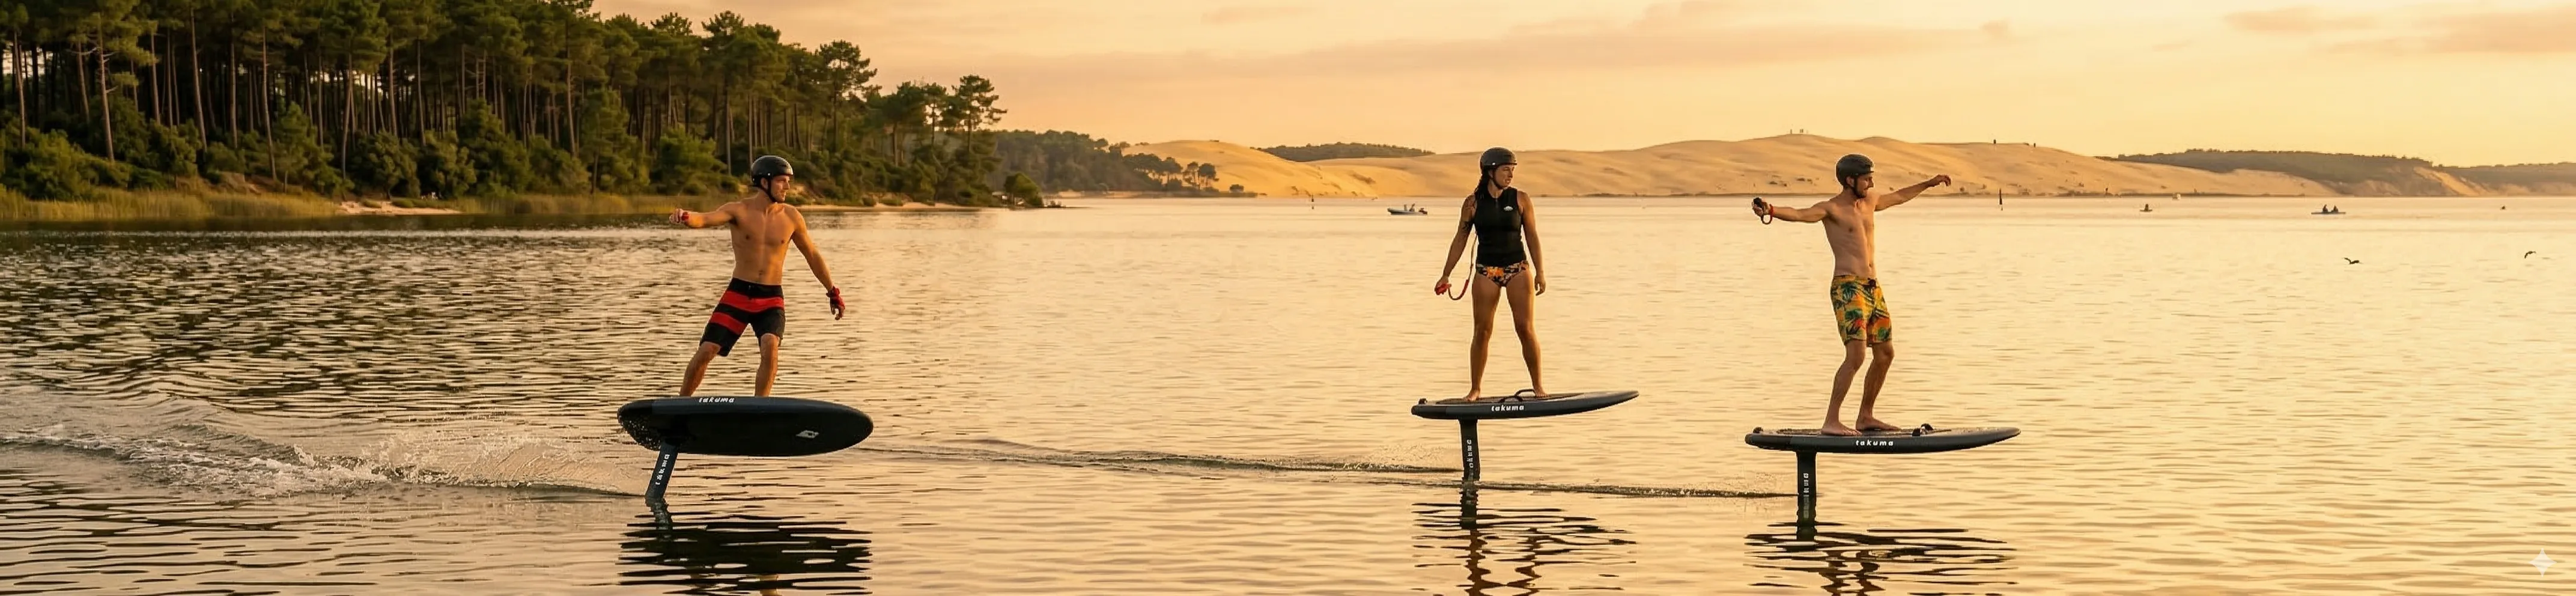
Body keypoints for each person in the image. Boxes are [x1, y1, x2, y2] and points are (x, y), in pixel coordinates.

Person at [1751, 154, 1951, 436]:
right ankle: (1831, 421)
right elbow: (1799, 214)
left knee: (1885, 354)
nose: (1871, 183)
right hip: (1848, 287)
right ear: (1850, 180)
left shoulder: (1870, 203)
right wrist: (1770, 209)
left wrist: (1928, 184)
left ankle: (1865, 417)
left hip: (1873, 288)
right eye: (1867, 178)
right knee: (1856, 355)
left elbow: (1900, 196)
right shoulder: (1831, 209)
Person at [667, 155, 845, 397]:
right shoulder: (738, 210)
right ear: (764, 182)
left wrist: (832, 290)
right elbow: (705, 218)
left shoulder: (792, 217)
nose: (788, 187)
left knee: (770, 346)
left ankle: (761, 406)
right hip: (739, 294)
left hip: (771, 298)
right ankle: (681, 405)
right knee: (707, 350)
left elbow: (812, 255)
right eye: (783, 181)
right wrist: (687, 217)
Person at [1432, 147, 1550, 403]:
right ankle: (1475, 389)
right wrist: (1446, 274)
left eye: (1513, 170)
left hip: (1517, 268)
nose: (1511, 175)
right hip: (1487, 271)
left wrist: (1540, 271)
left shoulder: (1521, 199)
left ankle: (1538, 386)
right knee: (1482, 331)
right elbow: (1461, 238)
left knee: (1525, 328)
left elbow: (1533, 237)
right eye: (1506, 169)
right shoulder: (1473, 204)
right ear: (1490, 171)